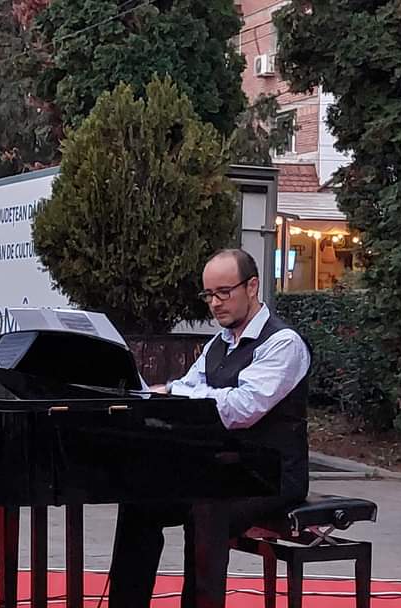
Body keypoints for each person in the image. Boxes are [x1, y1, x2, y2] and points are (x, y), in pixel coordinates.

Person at [108, 248, 311, 608]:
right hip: (223, 470)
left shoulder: (283, 343)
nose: (215, 303)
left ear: (252, 286)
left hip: (271, 477)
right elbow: (188, 386)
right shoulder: (219, 344)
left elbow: (241, 409)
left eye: (224, 292)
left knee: (206, 506)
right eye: (209, 295)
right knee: (141, 496)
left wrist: (179, 392)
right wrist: (167, 393)